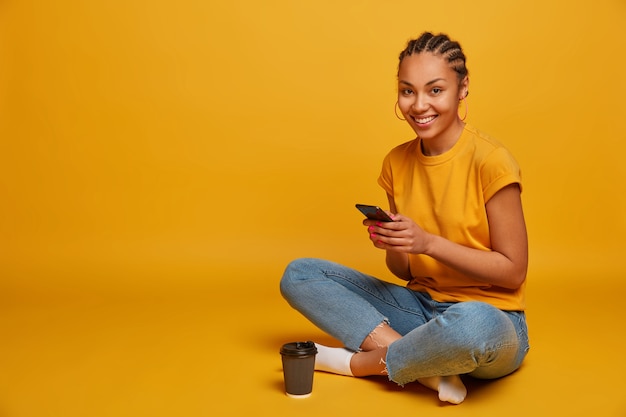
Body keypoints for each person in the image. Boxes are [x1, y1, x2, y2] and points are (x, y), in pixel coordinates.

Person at [279, 31, 529, 405]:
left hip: (493, 321)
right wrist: (394, 244)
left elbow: (513, 271)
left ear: (462, 89)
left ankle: (358, 364)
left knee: (473, 325)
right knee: (300, 275)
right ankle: (429, 368)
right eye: (407, 90)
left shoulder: (491, 161)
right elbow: (404, 272)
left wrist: (428, 242)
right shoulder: (396, 162)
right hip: (420, 310)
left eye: (435, 90)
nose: (419, 104)